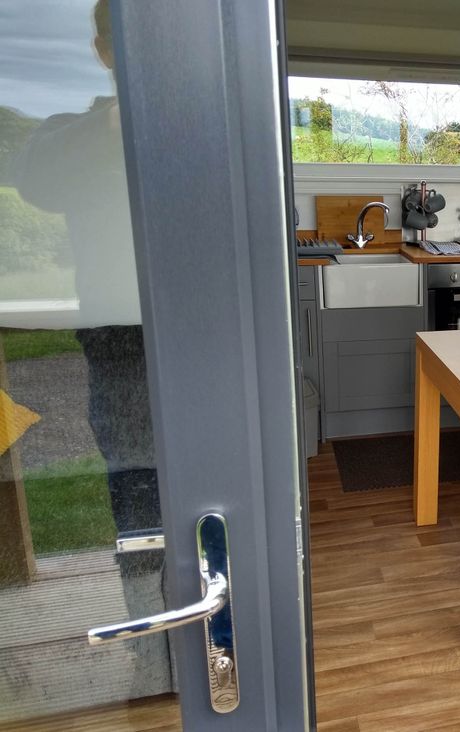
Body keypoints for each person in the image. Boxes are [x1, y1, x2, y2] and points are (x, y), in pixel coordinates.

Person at [12, 0, 172, 697]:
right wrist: (118, 122)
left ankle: (220, 632)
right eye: (123, 41)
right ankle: (152, 654)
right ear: (104, 51)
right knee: (138, 501)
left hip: (214, 339)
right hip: (122, 349)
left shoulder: (198, 129)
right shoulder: (69, 133)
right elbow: (35, 176)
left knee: (223, 490)